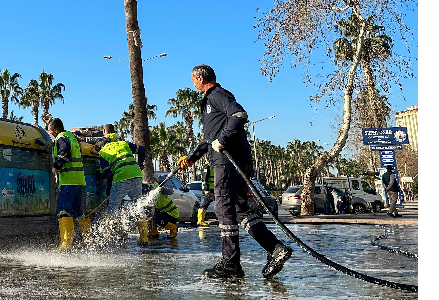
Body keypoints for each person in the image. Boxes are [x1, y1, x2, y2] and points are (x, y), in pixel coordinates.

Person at [177, 64, 292, 279]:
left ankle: (231, 264)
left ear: (201, 78)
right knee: (239, 211)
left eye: (193, 80)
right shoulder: (212, 101)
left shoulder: (216, 94)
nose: (192, 84)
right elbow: (210, 140)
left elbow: (239, 114)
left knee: (223, 209)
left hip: (228, 163)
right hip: (232, 161)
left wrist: (223, 139)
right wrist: (191, 158)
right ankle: (275, 248)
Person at [86, 123, 149, 245]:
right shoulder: (123, 143)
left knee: (112, 209)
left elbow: (107, 173)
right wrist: (140, 164)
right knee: (139, 207)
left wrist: (110, 188)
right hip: (136, 175)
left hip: (121, 177)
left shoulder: (103, 151)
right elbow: (142, 150)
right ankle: (144, 238)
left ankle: (104, 238)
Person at [47, 117, 91, 250]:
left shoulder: (61, 137)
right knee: (77, 211)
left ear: (55, 130)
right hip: (79, 180)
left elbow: (64, 151)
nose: (50, 134)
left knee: (63, 210)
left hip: (68, 180)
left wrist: (56, 166)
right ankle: (89, 241)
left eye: (50, 131)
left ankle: (66, 245)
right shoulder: (72, 137)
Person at [198, 159, 215, 226]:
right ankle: (200, 220)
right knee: (205, 204)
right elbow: (204, 178)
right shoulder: (207, 166)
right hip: (209, 190)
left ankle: (200, 220)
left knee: (205, 204)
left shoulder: (215, 165)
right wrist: (206, 189)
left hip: (214, 188)